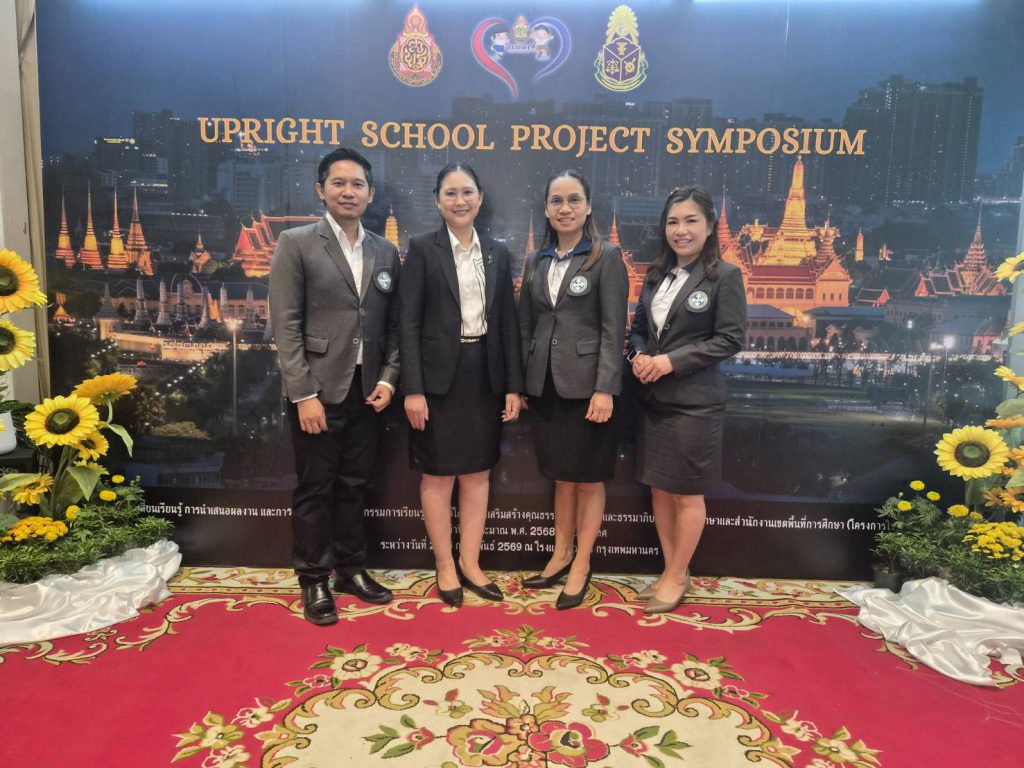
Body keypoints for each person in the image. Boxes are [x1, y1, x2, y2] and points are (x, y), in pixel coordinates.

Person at [270, 147, 400, 626]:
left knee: (355, 485)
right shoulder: (296, 243)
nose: (349, 192)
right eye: (339, 183)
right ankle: (313, 578)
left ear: (371, 194)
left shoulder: (385, 250)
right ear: (320, 190)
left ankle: (350, 569)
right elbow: (285, 325)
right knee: (315, 488)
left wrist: (389, 378)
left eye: (358, 184)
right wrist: (303, 394)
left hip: (369, 391)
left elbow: (395, 325)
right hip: (318, 392)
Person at [398, 162, 524, 608]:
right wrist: (413, 389)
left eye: (467, 192)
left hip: (484, 374)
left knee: (477, 473)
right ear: (437, 201)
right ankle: (445, 565)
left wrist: (513, 386)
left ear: (480, 198)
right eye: (450, 193)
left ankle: (470, 562)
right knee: (438, 474)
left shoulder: (497, 253)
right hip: (436, 380)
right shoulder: (422, 249)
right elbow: (408, 323)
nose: (459, 200)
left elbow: (507, 322)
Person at [628, 185, 746, 614]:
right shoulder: (656, 275)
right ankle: (668, 569)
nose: (681, 230)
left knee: (687, 495)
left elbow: (730, 339)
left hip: (696, 403)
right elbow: (638, 329)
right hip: (654, 399)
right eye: (673, 222)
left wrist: (670, 362)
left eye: (691, 220)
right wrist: (640, 356)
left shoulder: (724, 276)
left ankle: (679, 575)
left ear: (709, 226)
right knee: (660, 490)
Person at [517, 170, 628, 609]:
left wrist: (605, 388)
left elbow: (613, 328)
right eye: (557, 201)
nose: (565, 208)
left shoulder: (606, 256)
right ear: (546, 209)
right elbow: (526, 324)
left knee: (588, 479)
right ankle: (560, 554)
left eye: (574, 200)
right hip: (544, 385)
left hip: (588, 389)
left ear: (588, 206)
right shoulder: (535, 260)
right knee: (562, 477)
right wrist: (522, 383)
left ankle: (582, 563)